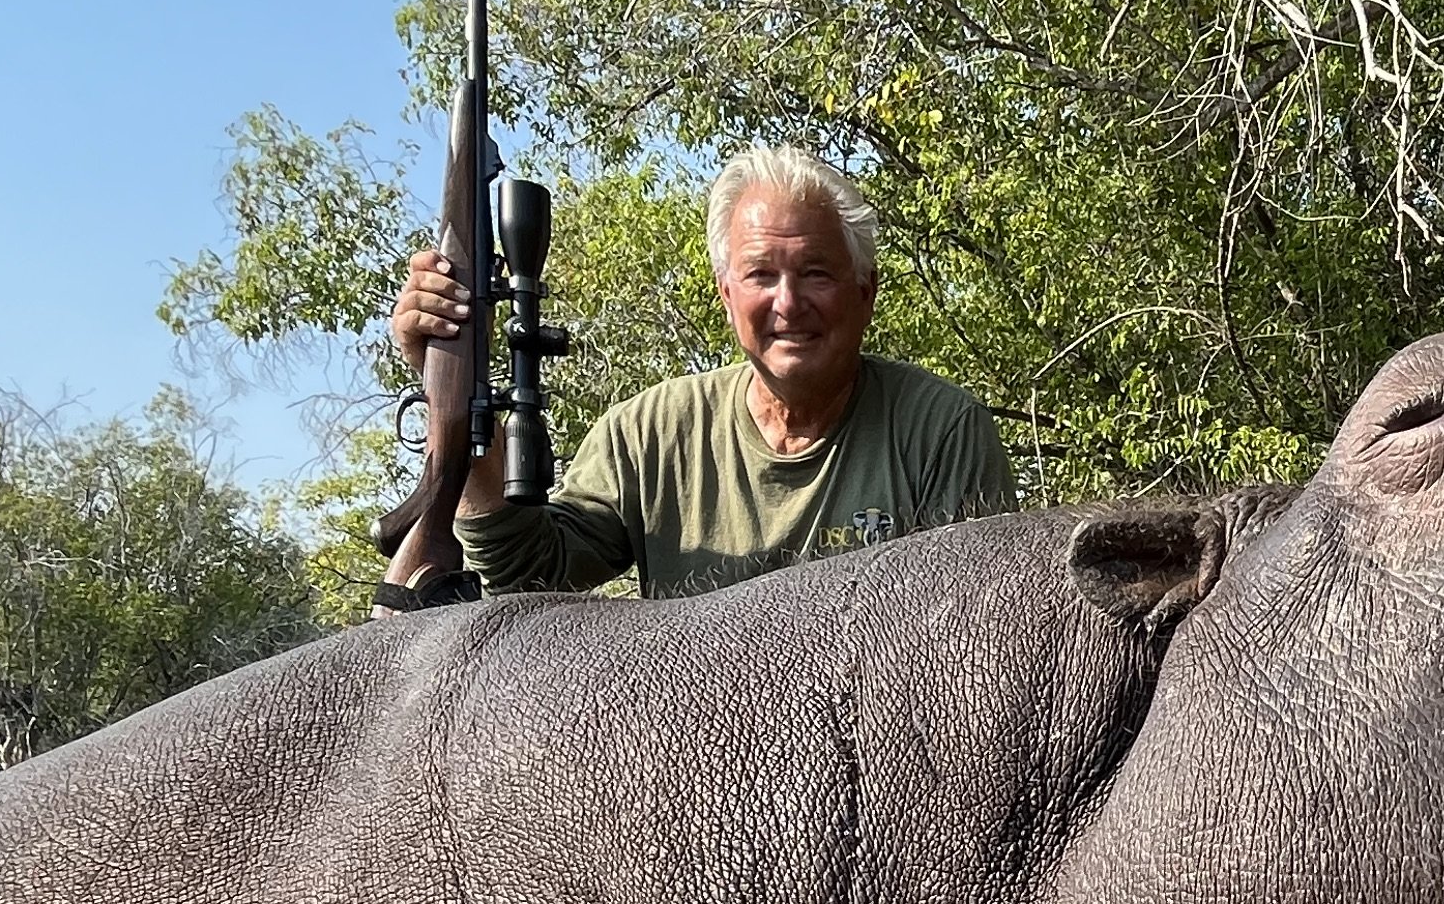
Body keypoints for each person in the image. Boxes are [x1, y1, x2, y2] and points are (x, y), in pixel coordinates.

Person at [384, 144, 1016, 607]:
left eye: (816, 273)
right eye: (762, 275)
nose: (788, 303)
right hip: (692, 763)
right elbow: (527, 575)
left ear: (864, 291)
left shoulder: (941, 431)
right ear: (726, 294)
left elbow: (970, 640)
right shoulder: (647, 435)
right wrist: (455, 400)